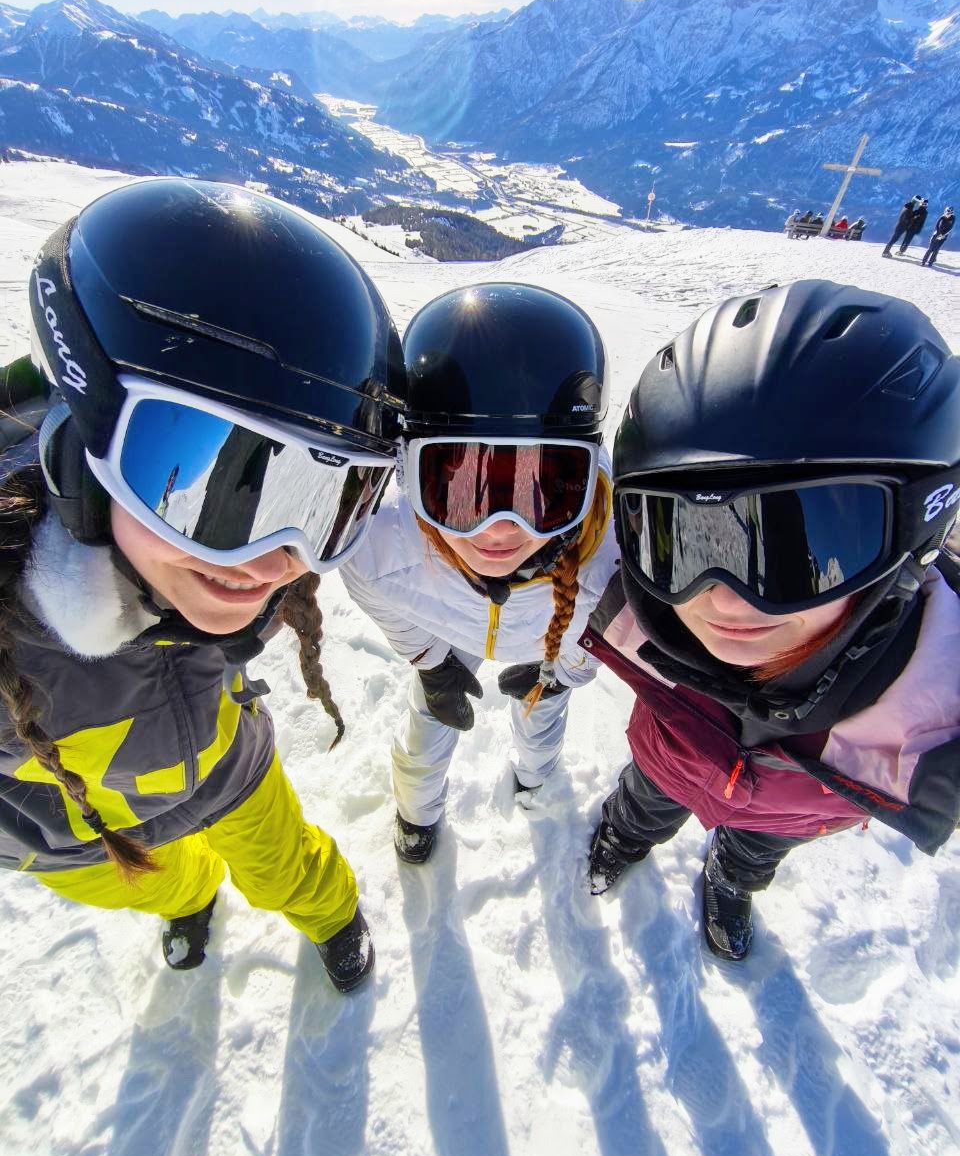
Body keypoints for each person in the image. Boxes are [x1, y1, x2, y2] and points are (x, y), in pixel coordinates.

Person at [0, 177, 406, 990]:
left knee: (287, 865)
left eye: (324, 504)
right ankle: (188, 901)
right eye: (192, 484)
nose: (264, 563)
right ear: (76, 454)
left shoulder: (202, 574)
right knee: (167, 882)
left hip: (226, 771)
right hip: (68, 837)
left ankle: (330, 916)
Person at [583, 279, 960, 961]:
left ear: (915, 534)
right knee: (647, 794)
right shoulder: (648, 621)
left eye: (806, 550)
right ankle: (627, 832)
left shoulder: (937, 729)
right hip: (671, 757)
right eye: (682, 540)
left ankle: (733, 876)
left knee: (761, 844)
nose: (724, 603)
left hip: (797, 809)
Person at [341, 283, 618, 862]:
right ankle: (419, 810)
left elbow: (600, 636)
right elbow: (381, 598)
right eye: (459, 484)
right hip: (456, 633)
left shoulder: (609, 559)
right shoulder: (381, 541)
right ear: (406, 467)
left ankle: (535, 778)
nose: (497, 530)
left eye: (545, 489)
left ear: (588, 476)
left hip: (543, 637)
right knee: (428, 724)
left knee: (540, 717)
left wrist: (562, 671)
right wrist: (433, 664)